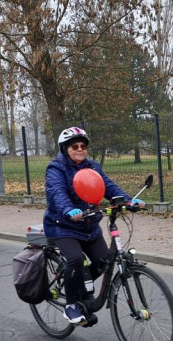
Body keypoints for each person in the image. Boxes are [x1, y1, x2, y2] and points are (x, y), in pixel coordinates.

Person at [43, 127, 144, 325]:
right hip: (62, 226)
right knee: (75, 259)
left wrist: (128, 201)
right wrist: (68, 210)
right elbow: (58, 192)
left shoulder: (93, 167)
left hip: (89, 226)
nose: (80, 149)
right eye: (74, 146)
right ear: (65, 149)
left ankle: (80, 285)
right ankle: (71, 305)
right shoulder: (56, 168)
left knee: (104, 262)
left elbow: (108, 186)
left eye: (83, 146)